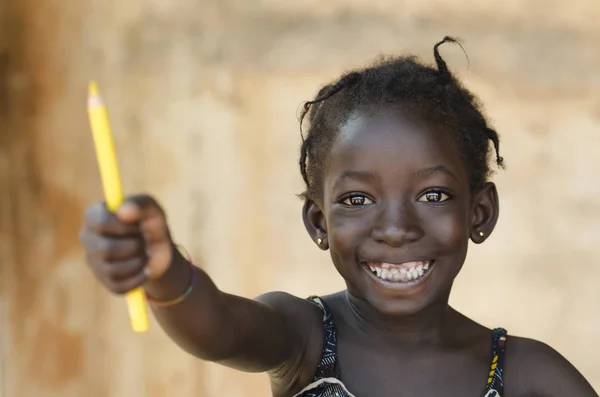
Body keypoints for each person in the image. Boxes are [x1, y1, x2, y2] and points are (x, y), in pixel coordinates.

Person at [79, 37, 598, 397]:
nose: (396, 229)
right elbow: (221, 329)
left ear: (479, 213)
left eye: (434, 195)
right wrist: (167, 276)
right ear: (318, 222)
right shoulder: (303, 338)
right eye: (356, 200)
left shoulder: (529, 376)